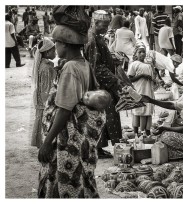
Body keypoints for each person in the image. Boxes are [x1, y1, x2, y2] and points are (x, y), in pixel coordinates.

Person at [38, 21, 107, 197]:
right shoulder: (83, 64)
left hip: (66, 140)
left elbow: (64, 110)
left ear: (66, 44)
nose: (55, 46)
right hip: (79, 140)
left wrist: (47, 143)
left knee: (64, 182)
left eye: (57, 43)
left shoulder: (70, 68)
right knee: (81, 180)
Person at [84, 19, 123, 159]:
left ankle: (99, 148)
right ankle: (97, 148)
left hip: (102, 84)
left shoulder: (97, 37)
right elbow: (97, 67)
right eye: (104, 25)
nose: (106, 28)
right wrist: (114, 80)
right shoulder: (92, 39)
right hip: (100, 85)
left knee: (106, 116)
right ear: (94, 22)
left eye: (107, 25)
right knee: (103, 116)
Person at [31, 38, 56, 148]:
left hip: (41, 98)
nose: (55, 52)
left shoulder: (44, 65)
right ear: (46, 52)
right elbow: (45, 88)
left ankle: (40, 142)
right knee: (44, 120)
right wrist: (49, 102)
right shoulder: (45, 68)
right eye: (53, 50)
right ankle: (43, 143)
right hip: (44, 99)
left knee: (40, 119)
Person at [128, 45, 155, 135]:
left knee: (147, 109)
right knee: (138, 110)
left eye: (143, 51)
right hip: (139, 90)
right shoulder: (134, 64)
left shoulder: (149, 65)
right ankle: (136, 132)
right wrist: (142, 75)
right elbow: (130, 79)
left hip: (148, 90)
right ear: (135, 54)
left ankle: (147, 131)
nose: (142, 54)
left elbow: (152, 78)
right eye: (140, 52)